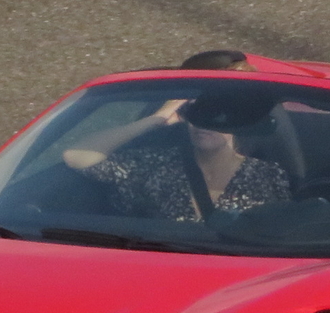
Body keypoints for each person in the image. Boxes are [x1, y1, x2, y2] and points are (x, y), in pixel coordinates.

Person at [62, 91, 291, 222]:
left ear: (238, 124)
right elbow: (76, 156)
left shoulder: (266, 174)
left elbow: (278, 230)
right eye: (198, 115)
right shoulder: (155, 163)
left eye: (218, 117)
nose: (204, 124)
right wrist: (157, 118)